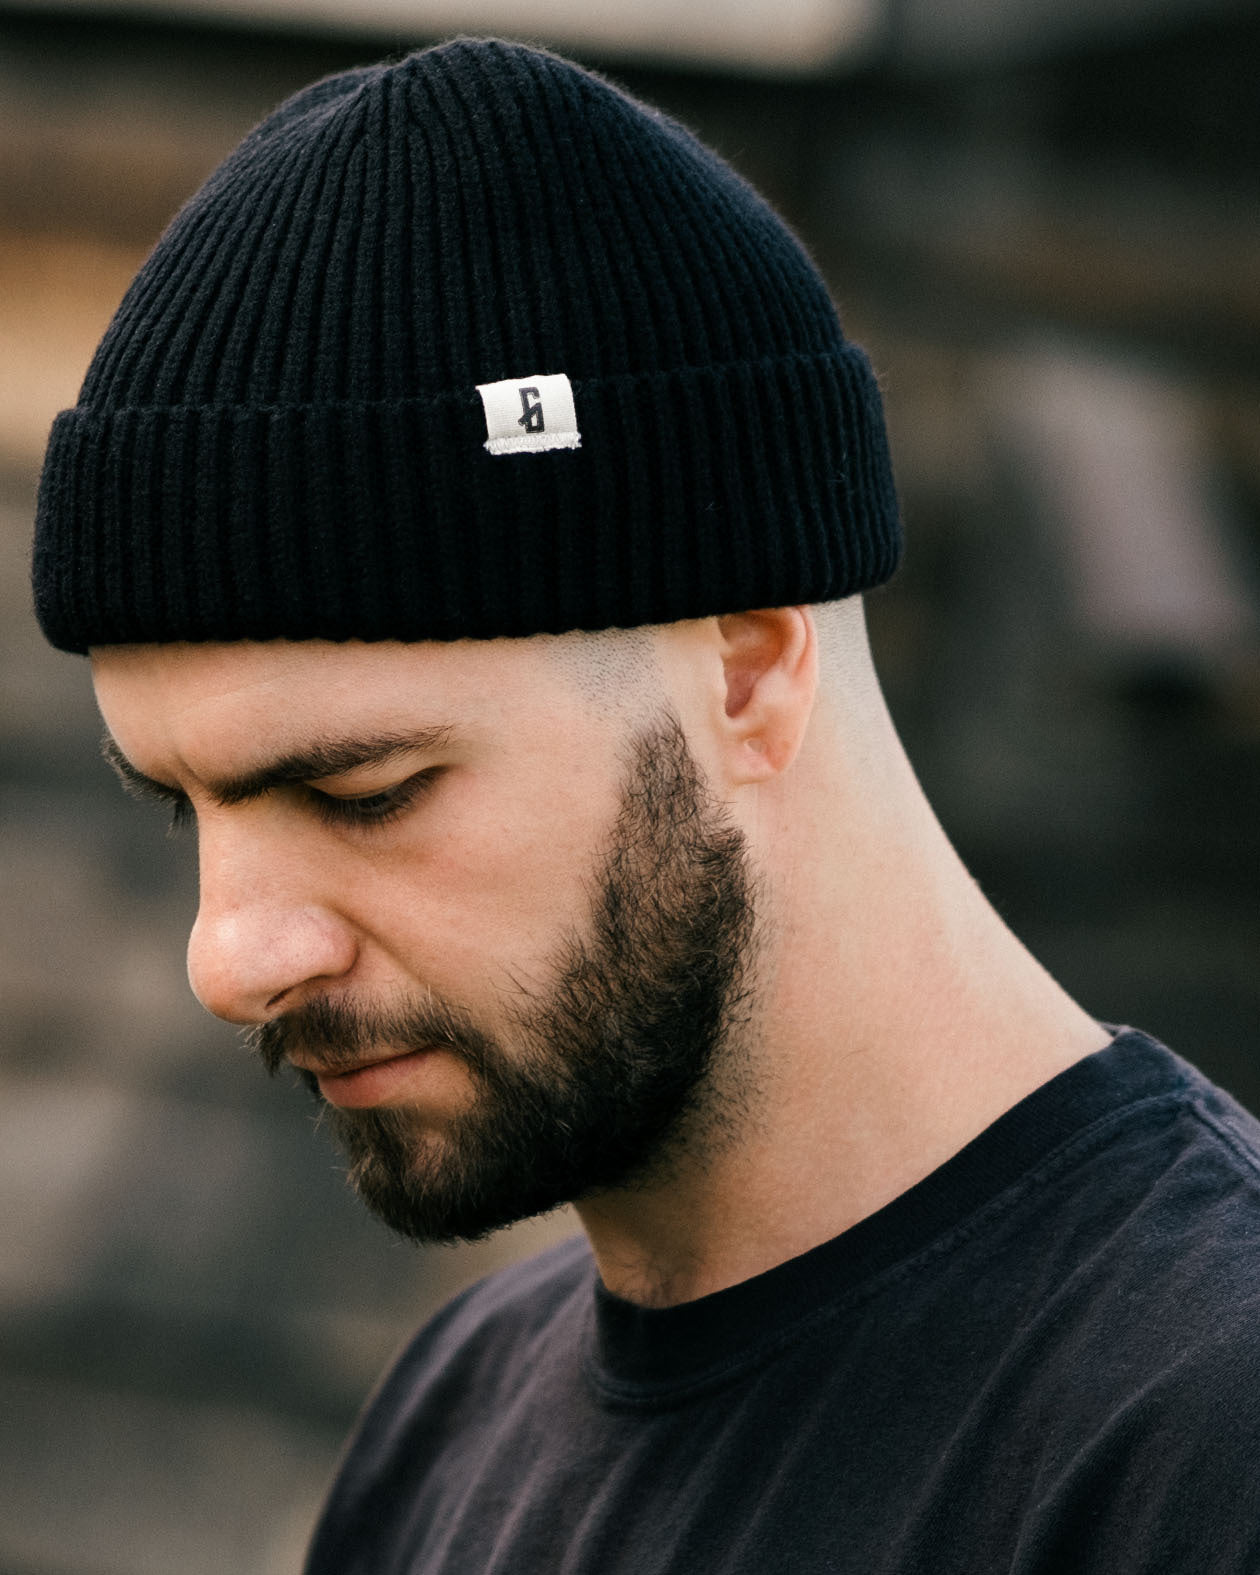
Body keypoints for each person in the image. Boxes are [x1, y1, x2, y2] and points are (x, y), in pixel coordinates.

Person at [31, 37, 1260, 1575]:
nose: (229, 956)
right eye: (182, 808)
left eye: (362, 793)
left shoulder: (1204, 1443)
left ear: (745, 669)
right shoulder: (455, 1419)